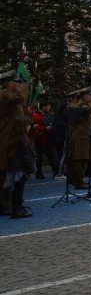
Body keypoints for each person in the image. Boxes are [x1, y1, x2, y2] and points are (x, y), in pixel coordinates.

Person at [0, 69, 27, 216]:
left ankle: (7, 204)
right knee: (6, 172)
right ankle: (5, 205)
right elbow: (20, 98)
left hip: (12, 137)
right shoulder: (5, 94)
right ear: (8, 83)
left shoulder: (8, 94)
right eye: (16, 82)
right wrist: (26, 84)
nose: (18, 84)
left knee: (9, 171)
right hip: (7, 139)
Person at [3, 116, 35, 218]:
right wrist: (31, 170)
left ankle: (15, 208)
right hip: (20, 169)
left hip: (14, 167)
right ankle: (18, 209)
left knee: (15, 190)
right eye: (28, 125)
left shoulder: (13, 138)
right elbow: (26, 156)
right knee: (19, 190)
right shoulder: (23, 139)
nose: (29, 126)